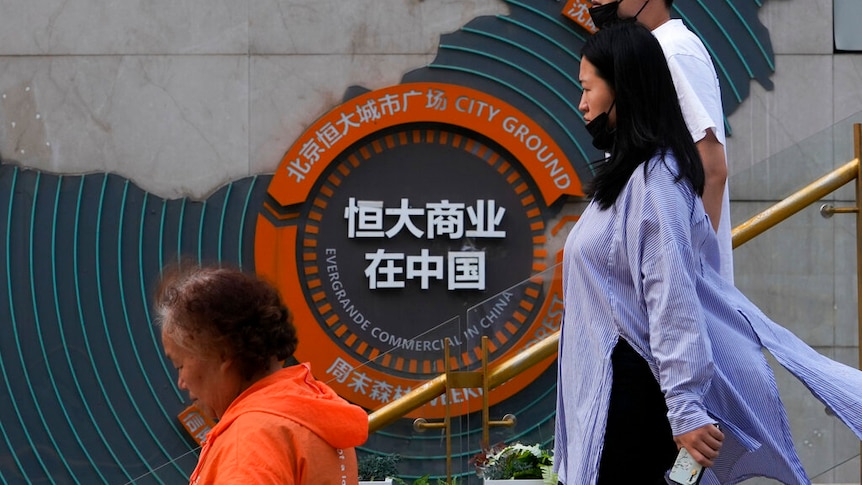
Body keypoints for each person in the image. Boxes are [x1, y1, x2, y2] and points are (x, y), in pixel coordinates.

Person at [553, 22, 862, 485]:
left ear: (623, 88)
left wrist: (686, 409)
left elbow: (671, 295)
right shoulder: (625, 181)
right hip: (614, 394)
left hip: (636, 397)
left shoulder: (656, 178)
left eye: (588, 88)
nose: (581, 104)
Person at [155, 264, 369, 485]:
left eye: (180, 365)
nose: (181, 382)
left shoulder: (250, 441)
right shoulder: (313, 412)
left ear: (221, 354)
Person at [588, 0, 734, 283]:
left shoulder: (674, 50)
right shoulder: (642, 53)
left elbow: (711, 169)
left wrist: (687, 276)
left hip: (676, 289)